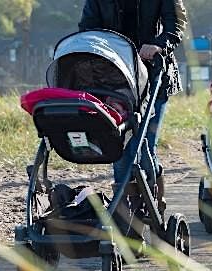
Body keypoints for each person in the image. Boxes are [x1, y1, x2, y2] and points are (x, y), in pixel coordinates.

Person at [79, 0, 187, 218]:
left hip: (155, 73)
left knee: (144, 144)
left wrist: (158, 44)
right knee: (119, 144)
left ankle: (154, 198)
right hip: (116, 79)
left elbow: (175, 24)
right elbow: (87, 29)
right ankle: (125, 205)